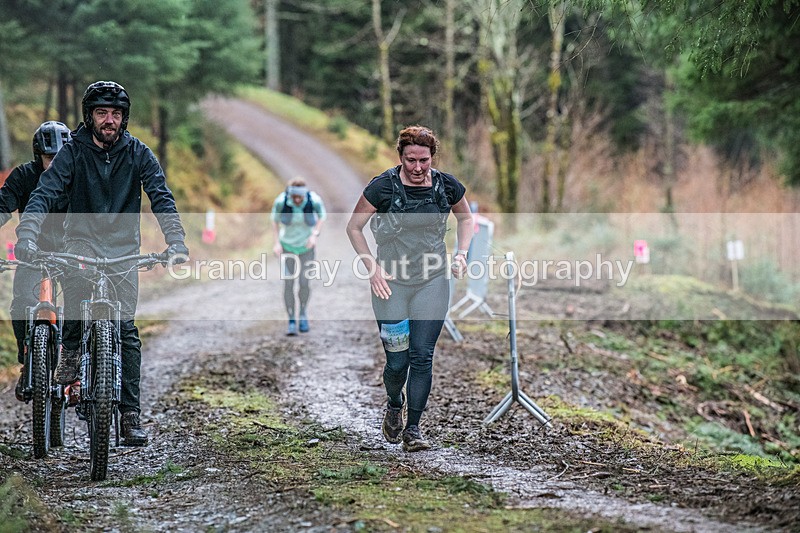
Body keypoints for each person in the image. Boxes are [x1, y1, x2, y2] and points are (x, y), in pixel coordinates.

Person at [14, 81, 188, 446]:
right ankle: (73, 349)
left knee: (126, 331)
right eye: (101, 113)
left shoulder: (139, 152)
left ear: (124, 119)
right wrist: (27, 235)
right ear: (89, 117)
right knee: (76, 300)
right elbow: (45, 192)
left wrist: (176, 242)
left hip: (124, 247)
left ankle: (128, 415)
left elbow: (161, 197)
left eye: (115, 114)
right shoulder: (73, 152)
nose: (109, 120)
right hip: (81, 241)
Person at [346, 125, 473, 452]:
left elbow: (467, 219)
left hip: (432, 280)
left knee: (422, 355)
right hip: (390, 285)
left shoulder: (446, 186)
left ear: (433, 157)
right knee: (397, 362)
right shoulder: (382, 187)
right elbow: (354, 227)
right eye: (410, 160)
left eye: (424, 161)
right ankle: (393, 402)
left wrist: (461, 253)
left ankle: (413, 428)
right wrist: (371, 267)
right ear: (400, 157)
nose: (417, 168)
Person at [0, 121, 71, 401]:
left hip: (71, 252)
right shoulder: (24, 176)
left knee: (82, 306)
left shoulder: (77, 176)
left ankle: (77, 366)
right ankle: (27, 359)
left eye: (59, 157)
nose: (53, 163)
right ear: (37, 155)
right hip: (32, 253)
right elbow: (3, 205)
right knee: (19, 302)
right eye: (48, 157)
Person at [271, 178, 326, 336]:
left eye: (299, 197)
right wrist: (276, 243)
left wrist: (315, 234)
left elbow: (322, 216)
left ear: (304, 195)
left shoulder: (313, 200)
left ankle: (302, 314)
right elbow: (274, 222)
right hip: (287, 247)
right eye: (294, 197)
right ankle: (291, 321)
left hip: (306, 248)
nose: (296, 200)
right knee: (288, 283)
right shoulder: (282, 202)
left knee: (304, 282)